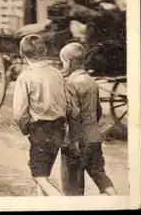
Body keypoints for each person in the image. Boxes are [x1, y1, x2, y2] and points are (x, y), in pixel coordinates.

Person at [12, 34, 79, 196]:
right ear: (46, 51)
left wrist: (27, 129)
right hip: (59, 128)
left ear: (22, 54)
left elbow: (19, 113)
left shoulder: (25, 77)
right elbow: (69, 103)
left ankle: (65, 205)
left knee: (39, 177)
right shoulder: (56, 73)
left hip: (40, 130)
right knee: (44, 174)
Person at [59, 43, 117, 196]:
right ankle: (115, 197)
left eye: (63, 61)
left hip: (75, 142)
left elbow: (73, 115)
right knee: (99, 174)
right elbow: (98, 110)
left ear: (70, 61)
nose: (63, 65)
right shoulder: (91, 82)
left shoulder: (70, 83)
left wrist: (73, 141)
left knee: (72, 187)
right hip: (93, 138)